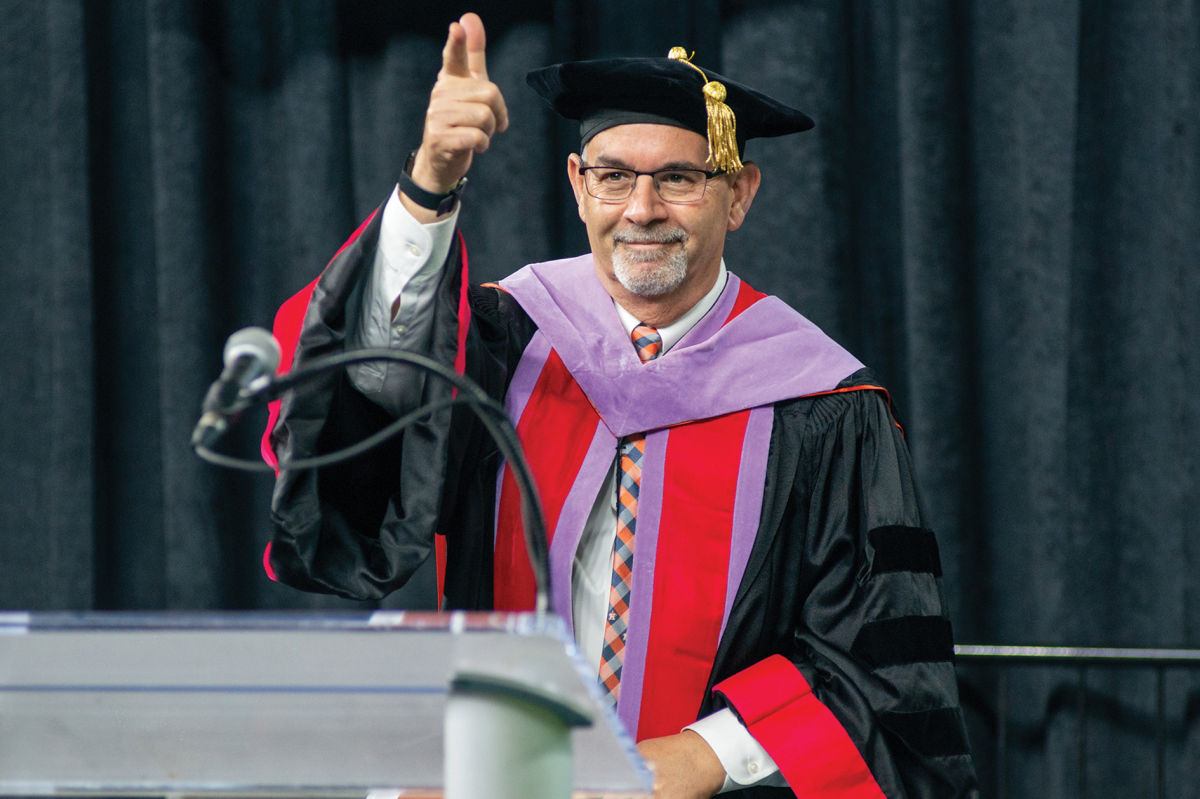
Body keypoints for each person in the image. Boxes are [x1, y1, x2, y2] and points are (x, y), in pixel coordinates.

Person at [264, 12, 977, 798]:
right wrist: (429, 185)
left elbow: (875, 664)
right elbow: (372, 383)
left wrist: (706, 753)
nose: (641, 208)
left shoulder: (823, 407)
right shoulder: (503, 345)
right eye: (613, 175)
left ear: (738, 195)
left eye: (679, 177)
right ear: (577, 185)